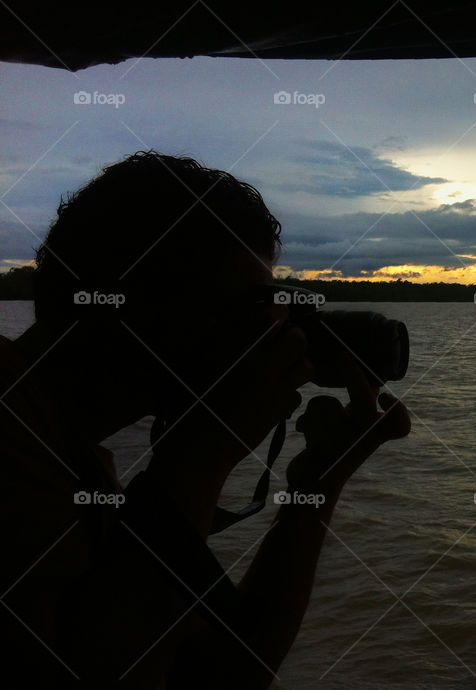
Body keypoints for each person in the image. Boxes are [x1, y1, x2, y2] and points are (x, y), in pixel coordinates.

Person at [0, 150, 410, 688]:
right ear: (135, 302)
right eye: (245, 309)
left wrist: (317, 487)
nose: (264, 336)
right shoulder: (12, 440)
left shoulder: (69, 457)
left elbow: (223, 674)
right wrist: (206, 448)